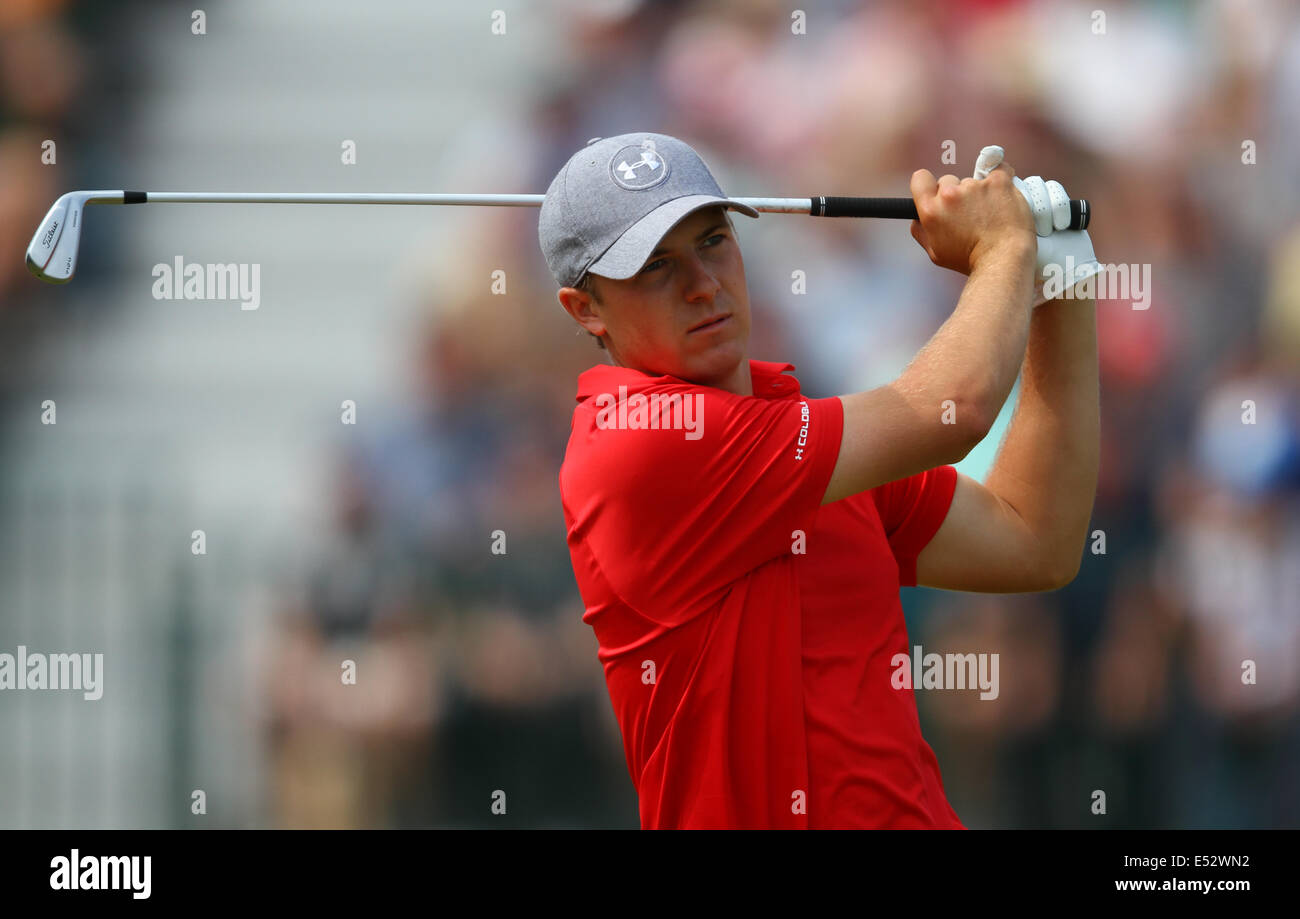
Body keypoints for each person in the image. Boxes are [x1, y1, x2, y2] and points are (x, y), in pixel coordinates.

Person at [537, 132, 1100, 829]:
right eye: (654, 265)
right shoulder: (635, 441)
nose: (702, 284)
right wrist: (1005, 250)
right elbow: (952, 409)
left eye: (713, 241)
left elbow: (1032, 538)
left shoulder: (804, 436)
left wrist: (1062, 287)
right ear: (584, 309)